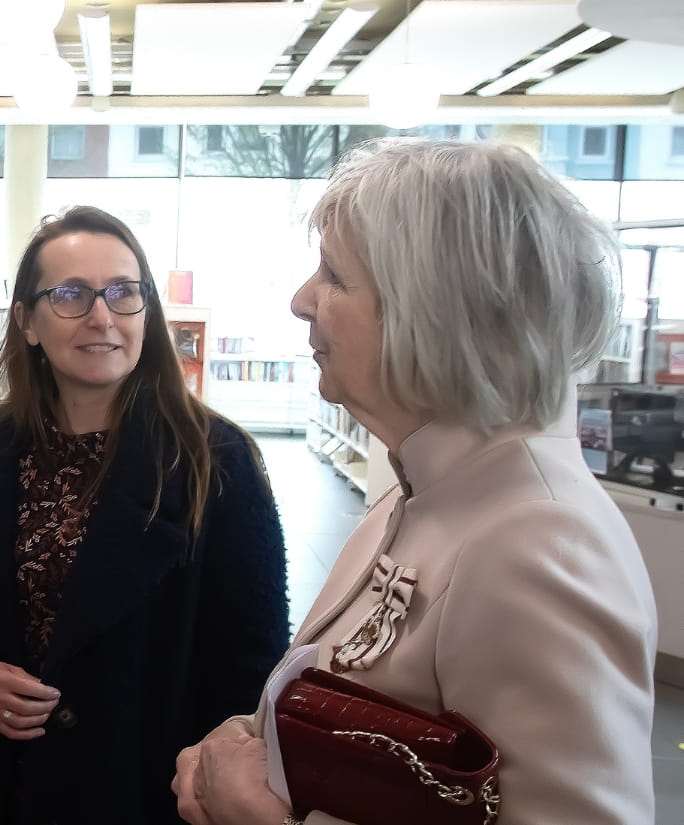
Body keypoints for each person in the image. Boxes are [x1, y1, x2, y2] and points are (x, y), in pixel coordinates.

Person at [172, 139, 658, 825]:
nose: (301, 300)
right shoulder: (415, 496)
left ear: (437, 309)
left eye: (335, 276)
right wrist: (241, 746)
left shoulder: (540, 543)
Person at [0, 206, 290, 825]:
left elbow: (250, 666)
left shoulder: (215, 460)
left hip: (140, 789)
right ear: (27, 321)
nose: (102, 316)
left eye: (123, 293)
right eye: (72, 295)